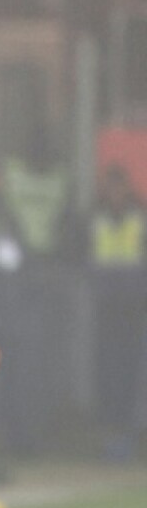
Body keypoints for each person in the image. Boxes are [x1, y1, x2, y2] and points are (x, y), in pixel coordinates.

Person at [86, 164, 146, 460]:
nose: (115, 195)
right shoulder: (94, 218)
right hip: (105, 307)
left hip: (134, 307)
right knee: (108, 371)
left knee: (132, 371)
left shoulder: (139, 217)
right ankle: (111, 432)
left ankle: (129, 433)